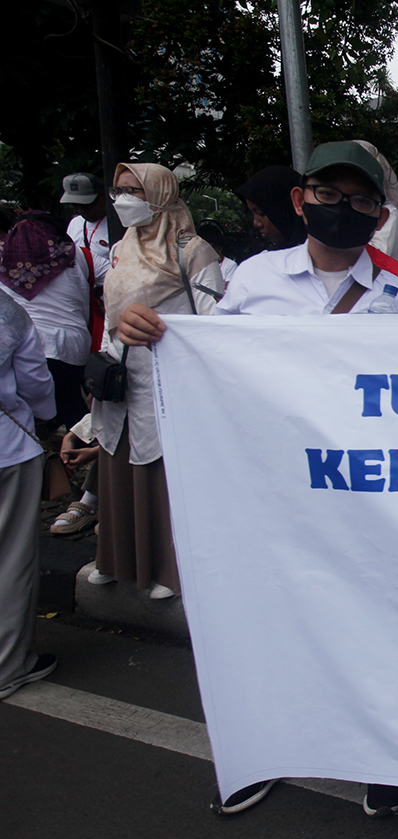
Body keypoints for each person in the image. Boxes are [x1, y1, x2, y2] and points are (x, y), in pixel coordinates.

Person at [118, 140, 398, 818]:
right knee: (273, 626)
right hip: (270, 498)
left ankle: (383, 755)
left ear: (378, 215)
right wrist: (146, 327)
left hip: (364, 501)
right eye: (328, 195)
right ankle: (265, 747)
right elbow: (209, 364)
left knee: (372, 630)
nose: (342, 209)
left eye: (360, 200)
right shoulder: (254, 279)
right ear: (300, 200)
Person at [86, 164, 223, 604]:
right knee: (118, 460)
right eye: (119, 189)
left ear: (161, 194)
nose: (123, 198)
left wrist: (162, 330)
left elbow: (213, 323)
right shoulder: (123, 247)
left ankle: (169, 568)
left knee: (163, 470)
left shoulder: (192, 250)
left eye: (134, 190)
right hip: (120, 374)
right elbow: (111, 312)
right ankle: (118, 559)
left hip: (167, 380)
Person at [0, 295, 58, 701]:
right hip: (7, 449)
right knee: (11, 558)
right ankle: (6, 666)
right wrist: (48, 418)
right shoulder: (7, 311)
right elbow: (34, 378)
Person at [0, 212, 92, 430]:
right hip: (75, 345)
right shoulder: (78, 254)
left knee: (40, 415)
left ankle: (58, 454)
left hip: (36, 346)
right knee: (71, 404)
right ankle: (88, 451)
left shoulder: (7, 260)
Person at [237, 165, 309, 251]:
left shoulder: (323, 256)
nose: (256, 223)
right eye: (252, 213)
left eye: (261, 213)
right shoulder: (263, 261)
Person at [62, 172, 111, 286]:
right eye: (75, 205)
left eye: (86, 205)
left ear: (102, 197)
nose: (80, 210)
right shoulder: (75, 223)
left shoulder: (117, 223)